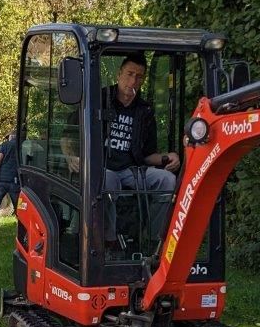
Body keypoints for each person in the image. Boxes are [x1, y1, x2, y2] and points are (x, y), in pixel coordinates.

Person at [63, 52, 180, 241]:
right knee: (108, 181)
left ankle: (152, 240)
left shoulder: (145, 110)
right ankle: (106, 242)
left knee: (166, 180)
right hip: (99, 166)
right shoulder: (97, 100)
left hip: (131, 170)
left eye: (139, 76)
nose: (133, 81)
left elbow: (148, 155)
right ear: (119, 74)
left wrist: (169, 156)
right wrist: (71, 157)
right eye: (129, 74)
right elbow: (67, 136)